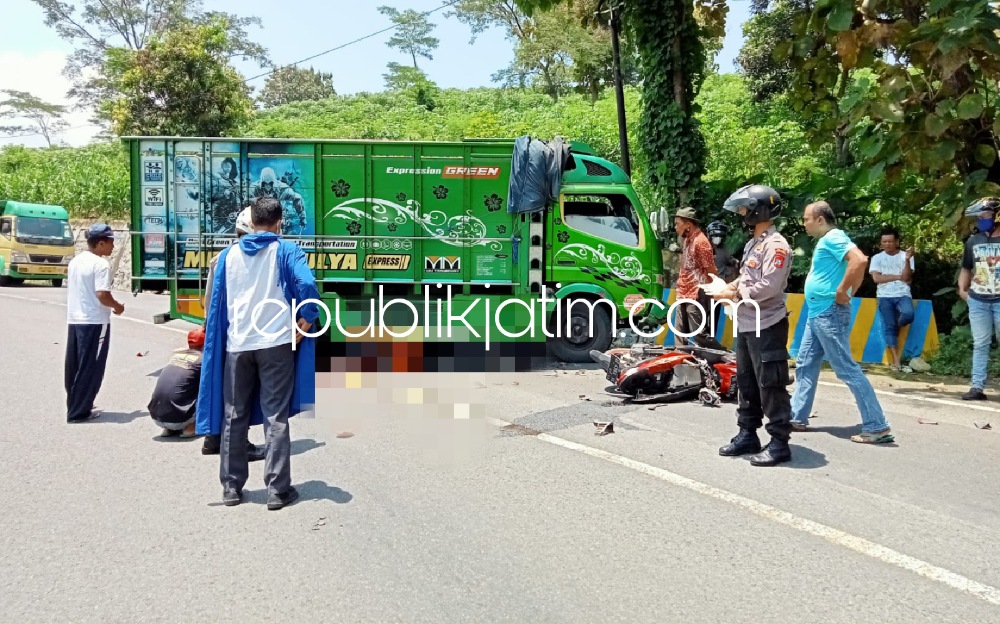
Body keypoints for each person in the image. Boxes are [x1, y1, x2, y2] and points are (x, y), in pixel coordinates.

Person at [196, 197, 320, 510]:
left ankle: (231, 488)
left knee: (233, 415)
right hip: (275, 344)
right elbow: (306, 283)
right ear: (280, 222)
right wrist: (308, 316)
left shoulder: (227, 256)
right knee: (275, 416)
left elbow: (215, 304)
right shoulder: (287, 250)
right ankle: (278, 490)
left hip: (238, 346)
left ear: (251, 223)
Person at [787, 201, 893, 443]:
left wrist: (843, 290)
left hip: (828, 312)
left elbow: (859, 260)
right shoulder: (829, 239)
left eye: (807, 219)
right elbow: (857, 263)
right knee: (805, 362)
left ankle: (877, 425)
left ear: (821, 219)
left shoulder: (833, 237)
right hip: (818, 311)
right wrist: (848, 290)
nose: (804, 224)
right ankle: (796, 416)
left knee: (846, 368)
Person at [711, 185, 794, 466]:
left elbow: (768, 287)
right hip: (746, 322)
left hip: (767, 323)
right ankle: (748, 433)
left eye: (745, 209)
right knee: (745, 382)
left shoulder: (777, 246)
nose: (742, 214)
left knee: (770, 383)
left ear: (760, 210)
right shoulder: (753, 244)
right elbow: (745, 278)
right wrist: (727, 288)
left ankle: (780, 442)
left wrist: (733, 293)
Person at [199, 206, 266, 461]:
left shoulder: (222, 257)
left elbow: (210, 299)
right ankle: (240, 444)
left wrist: (208, 326)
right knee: (241, 394)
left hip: (222, 331)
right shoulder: (255, 256)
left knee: (219, 385)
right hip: (245, 333)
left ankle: (213, 438)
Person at [65, 224, 125, 423]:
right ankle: (80, 411)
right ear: (100, 243)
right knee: (91, 366)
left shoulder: (76, 261)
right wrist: (117, 306)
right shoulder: (101, 265)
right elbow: (102, 294)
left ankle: (75, 403)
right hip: (94, 321)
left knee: (75, 365)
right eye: (110, 242)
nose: (113, 247)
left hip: (75, 319)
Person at [957, 197, 1000, 401]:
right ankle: (977, 387)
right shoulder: (973, 241)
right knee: (980, 343)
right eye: (980, 217)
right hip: (978, 300)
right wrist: (962, 290)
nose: (981, 220)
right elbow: (966, 267)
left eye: (985, 216)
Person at [666, 206, 726, 351]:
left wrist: (714, 293)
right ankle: (680, 363)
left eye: (677, 223)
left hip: (697, 293)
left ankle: (722, 355)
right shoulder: (687, 240)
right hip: (684, 292)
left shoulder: (701, 242)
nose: (675, 227)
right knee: (680, 333)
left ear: (688, 224)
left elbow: (711, 271)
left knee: (699, 335)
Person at [869, 227, 915, 372]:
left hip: (903, 294)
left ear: (897, 242)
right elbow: (877, 278)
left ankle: (895, 327)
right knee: (889, 327)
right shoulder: (877, 258)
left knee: (908, 315)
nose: (887, 244)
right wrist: (897, 276)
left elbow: (907, 278)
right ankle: (896, 360)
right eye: (884, 241)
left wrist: (907, 261)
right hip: (884, 296)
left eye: (890, 241)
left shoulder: (906, 256)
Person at [149, 328, 206, 438]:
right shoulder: (203, 359)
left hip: (156, 416)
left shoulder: (175, 356)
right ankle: (190, 427)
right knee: (210, 387)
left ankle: (169, 428)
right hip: (179, 418)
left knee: (182, 385)